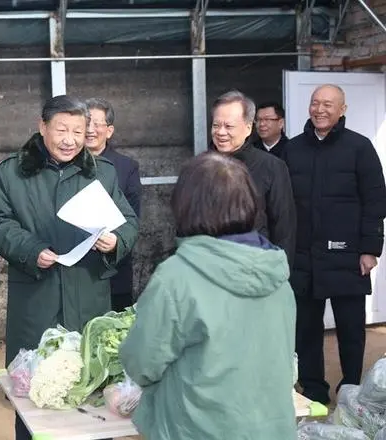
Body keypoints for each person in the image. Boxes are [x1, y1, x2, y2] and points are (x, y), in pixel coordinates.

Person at [0, 95, 139, 440]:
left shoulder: (102, 174)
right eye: (62, 129)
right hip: (37, 299)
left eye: (79, 131)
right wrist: (30, 249)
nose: (70, 140)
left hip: (88, 299)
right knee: (36, 393)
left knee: (92, 394)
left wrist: (116, 241)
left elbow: (128, 222)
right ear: (42, 127)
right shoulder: (12, 172)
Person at [119, 152, 297, 440]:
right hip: (273, 427)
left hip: (199, 429)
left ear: (187, 205)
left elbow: (142, 363)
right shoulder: (276, 270)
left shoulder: (177, 276)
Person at [284, 84, 386, 405]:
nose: (320, 109)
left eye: (328, 104)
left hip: (348, 256)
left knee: (351, 330)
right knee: (307, 330)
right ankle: (313, 387)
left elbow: (375, 201)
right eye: (315, 103)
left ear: (343, 109)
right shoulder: (293, 148)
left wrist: (370, 249)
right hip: (304, 256)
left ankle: (351, 388)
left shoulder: (360, 147)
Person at [211, 90, 296, 265]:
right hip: (210, 265)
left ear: (248, 128)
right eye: (216, 125)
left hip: (255, 267)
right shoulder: (201, 167)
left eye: (229, 126)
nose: (220, 132)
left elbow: (283, 228)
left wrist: (279, 272)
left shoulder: (271, 166)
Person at [84, 98, 142, 311]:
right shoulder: (65, 166)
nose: (90, 130)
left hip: (114, 269)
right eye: (86, 123)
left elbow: (134, 218)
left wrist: (117, 241)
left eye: (97, 124)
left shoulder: (127, 167)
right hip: (75, 271)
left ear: (109, 131)